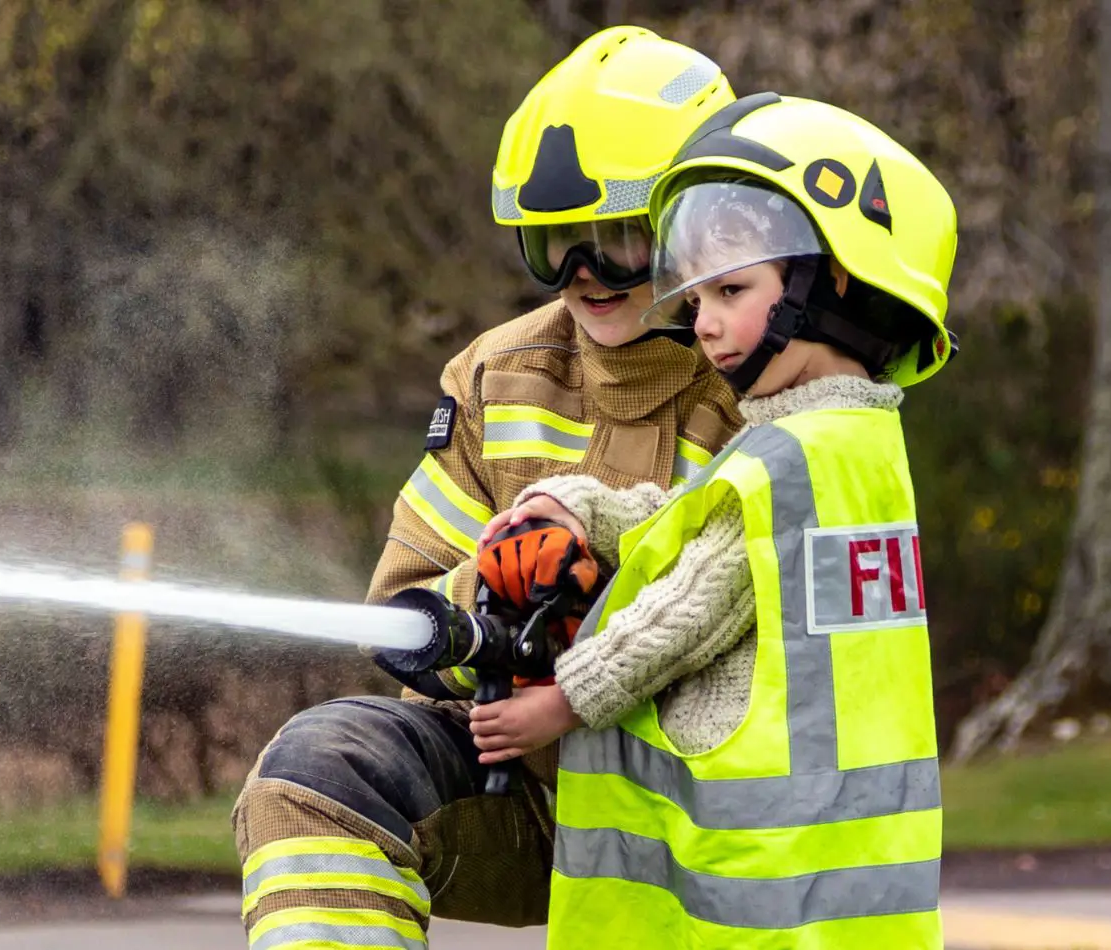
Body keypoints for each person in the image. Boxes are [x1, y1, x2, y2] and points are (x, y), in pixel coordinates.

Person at [233, 27, 743, 948]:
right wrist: (497, 600)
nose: (584, 275)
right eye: (555, 244)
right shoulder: (495, 377)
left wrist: (599, 596)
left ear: (703, 226)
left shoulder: (766, 383)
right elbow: (401, 614)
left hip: (715, 819)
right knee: (318, 776)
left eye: (619, 239)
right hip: (532, 795)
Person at [474, 93, 959, 947]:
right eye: (697, 299)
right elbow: (691, 526)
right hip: (827, 898)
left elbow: (688, 609)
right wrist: (580, 503)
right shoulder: (848, 445)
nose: (705, 325)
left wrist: (561, 705)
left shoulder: (793, 460)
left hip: (749, 897)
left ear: (830, 281)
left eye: (732, 290)